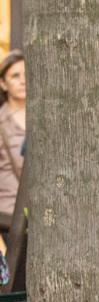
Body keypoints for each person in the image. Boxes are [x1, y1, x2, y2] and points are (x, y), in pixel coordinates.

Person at [0, 50, 26, 219]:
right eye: (15, 76)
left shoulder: (43, 117)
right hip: (10, 214)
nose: (23, 81)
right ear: (3, 83)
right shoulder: (2, 121)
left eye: (26, 74)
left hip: (40, 211)